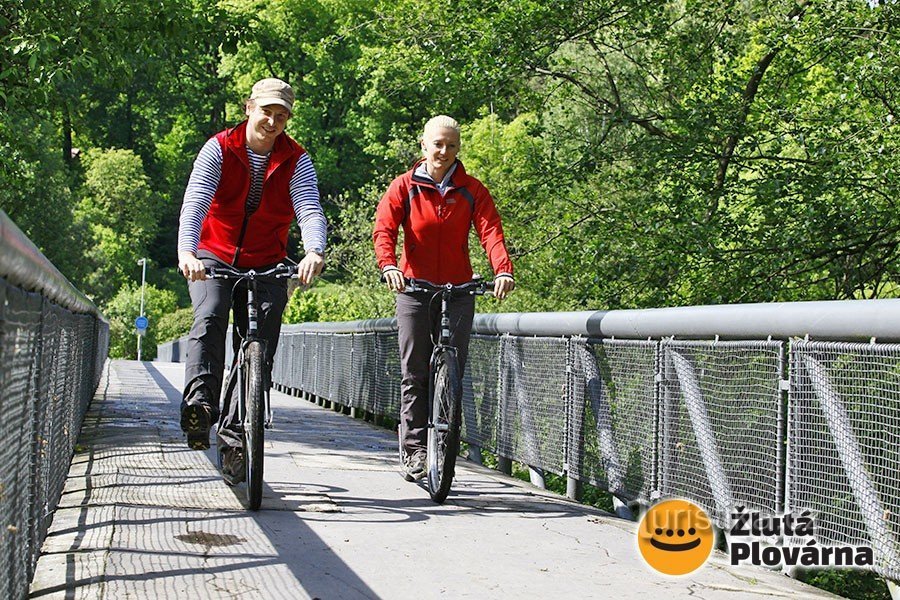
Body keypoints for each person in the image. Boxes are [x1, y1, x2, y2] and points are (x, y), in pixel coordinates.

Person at [177, 77, 327, 485]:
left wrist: (314, 249)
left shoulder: (297, 159)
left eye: (282, 116)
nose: (273, 122)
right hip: (215, 255)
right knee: (209, 315)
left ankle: (236, 441)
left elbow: (309, 208)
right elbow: (196, 202)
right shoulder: (220, 149)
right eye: (267, 112)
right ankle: (200, 407)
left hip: (268, 261)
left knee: (259, 347)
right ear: (249, 108)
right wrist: (187, 252)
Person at [373, 115, 515, 481]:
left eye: (452, 145)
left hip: (458, 289)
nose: (444, 151)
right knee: (414, 371)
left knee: (454, 369)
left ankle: (447, 438)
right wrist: (389, 265)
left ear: (458, 148)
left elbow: (491, 231)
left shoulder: (471, 189)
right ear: (423, 145)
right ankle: (415, 450)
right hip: (414, 289)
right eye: (438, 144)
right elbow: (384, 230)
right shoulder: (404, 187)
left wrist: (502, 269)